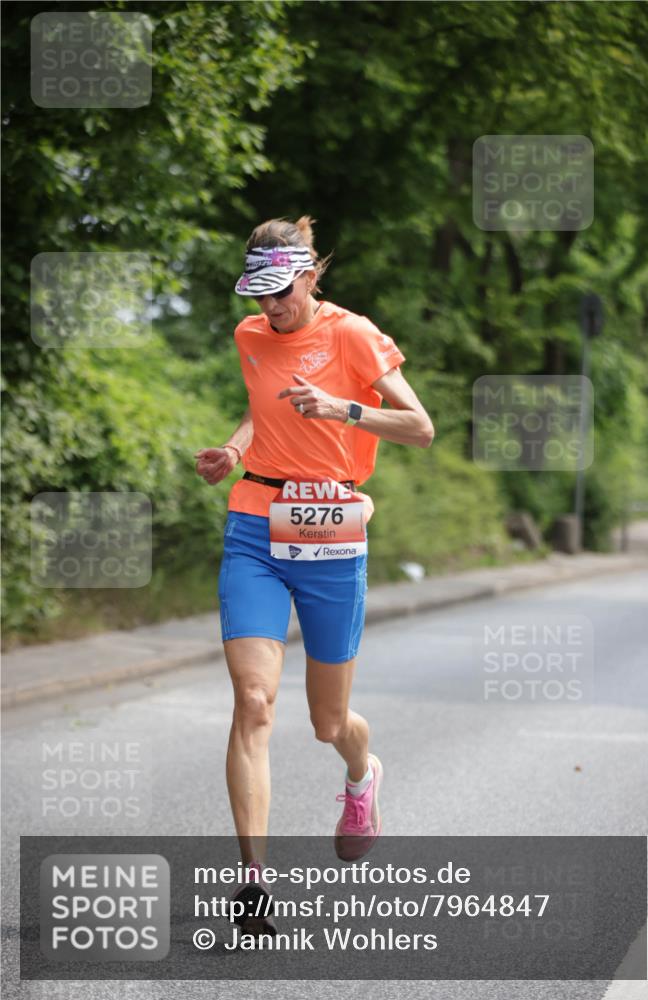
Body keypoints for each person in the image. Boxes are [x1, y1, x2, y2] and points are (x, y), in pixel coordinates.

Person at [195, 216, 434, 933]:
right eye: (259, 296)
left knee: (328, 721)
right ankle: (253, 881)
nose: (271, 309)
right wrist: (235, 451)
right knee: (254, 701)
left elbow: (419, 427)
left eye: (281, 294)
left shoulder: (353, 334)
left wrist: (343, 409)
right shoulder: (248, 335)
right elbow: (260, 408)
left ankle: (362, 776)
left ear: (309, 276)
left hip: (332, 534)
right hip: (255, 527)